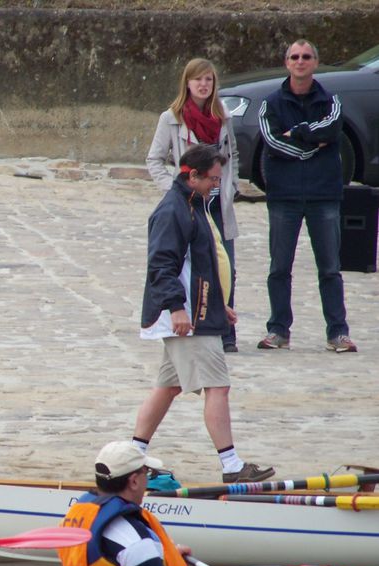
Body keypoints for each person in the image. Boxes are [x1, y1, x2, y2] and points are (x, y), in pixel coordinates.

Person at [133, 143, 274, 484]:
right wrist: (178, 308)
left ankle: (133, 457)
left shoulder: (193, 204)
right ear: (192, 175)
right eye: (212, 178)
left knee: (167, 387)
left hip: (195, 313)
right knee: (218, 386)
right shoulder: (173, 210)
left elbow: (200, 265)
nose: (217, 184)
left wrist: (217, 306)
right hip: (186, 320)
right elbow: (162, 266)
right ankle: (231, 466)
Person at [59, 441, 260, 566]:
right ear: (134, 481)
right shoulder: (133, 538)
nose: (148, 479)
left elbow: (116, 555)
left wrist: (164, 556)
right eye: (146, 472)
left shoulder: (83, 511)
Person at [257, 39, 356, 353]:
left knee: (329, 268)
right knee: (279, 267)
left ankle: (337, 333)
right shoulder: (270, 103)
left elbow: (331, 130)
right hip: (283, 196)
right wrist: (311, 146)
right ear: (286, 62)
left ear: (315, 62)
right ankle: (278, 331)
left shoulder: (331, 101)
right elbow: (272, 142)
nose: (300, 61)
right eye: (295, 56)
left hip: (323, 194)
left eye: (307, 56)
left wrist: (297, 133)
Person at [147, 58, 240, 352]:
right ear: (187, 83)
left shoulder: (223, 117)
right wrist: (174, 190)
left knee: (225, 265)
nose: (203, 85)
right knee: (194, 264)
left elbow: (232, 155)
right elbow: (155, 159)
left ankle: (225, 330)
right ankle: (197, 322)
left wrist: (230, 186)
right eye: (198, 79)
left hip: (217, 203)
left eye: (209, 80)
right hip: (189, 201)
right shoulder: (172, 117)